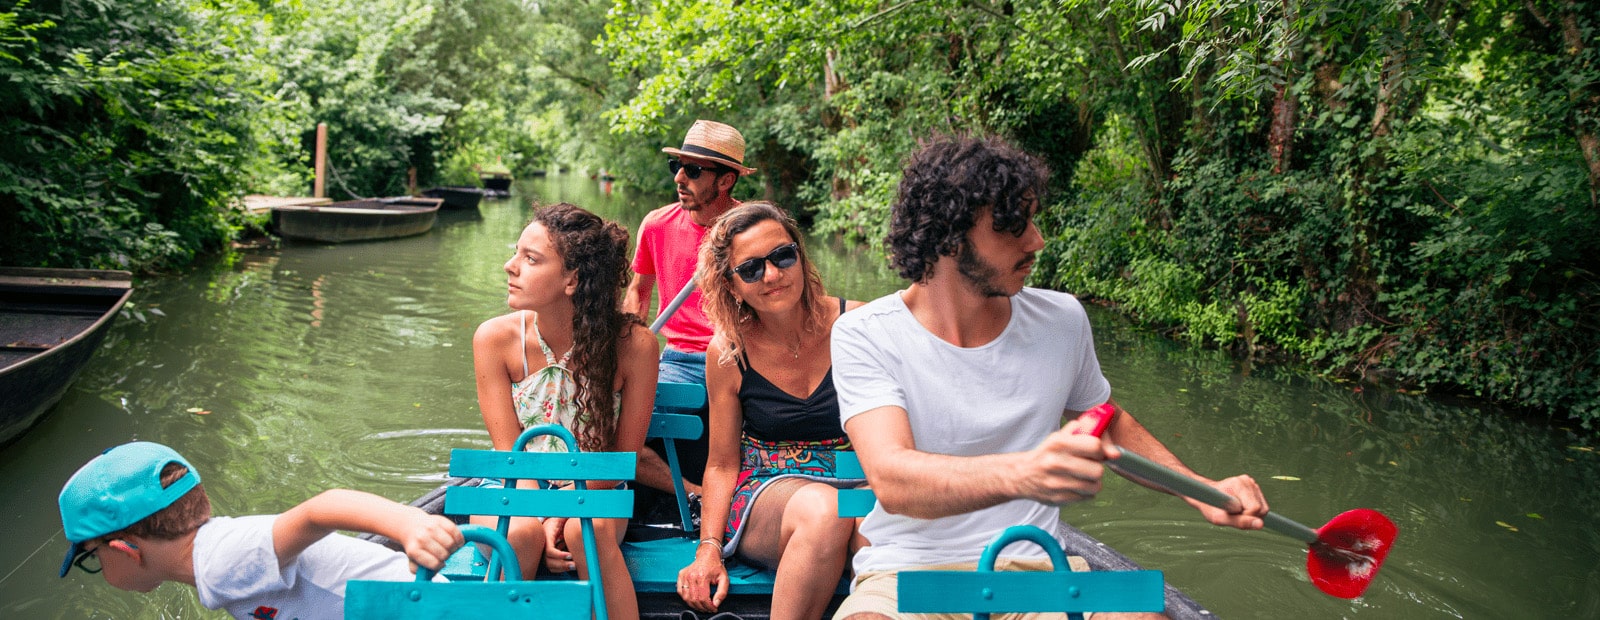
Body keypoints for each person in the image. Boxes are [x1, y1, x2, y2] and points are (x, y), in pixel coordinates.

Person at [830, 136, 1271, 620]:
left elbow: (1105, 420)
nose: (1037, 240)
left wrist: (1201, 489)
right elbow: (893, 479)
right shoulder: (865, 334)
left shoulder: (1062, 319)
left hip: (1040, 572)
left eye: (1032, 220)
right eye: (1013, 227)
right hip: (908, 577)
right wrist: (1026, 472)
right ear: (949, 239)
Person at [675, 203, 867, 619]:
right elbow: (723, 464)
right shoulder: (728, 351)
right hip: (770, 487)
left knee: (876, 527)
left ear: (800, 254)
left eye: (783, 256)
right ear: (731, 285)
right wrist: (708, 549)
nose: (773, 276)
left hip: (860, 477)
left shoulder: (860, 324)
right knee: (826, 509)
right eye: (751, 269)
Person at [472, 202, 658, 620]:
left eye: (530, 258)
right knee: (518, 532)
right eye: (516, 252)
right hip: (515, 482)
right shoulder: (495, 339)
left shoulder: (635, 346)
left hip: (597, 489)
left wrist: (565, 510)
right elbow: (508, 454)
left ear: (572, 279)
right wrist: (540, 515)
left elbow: (621, 462)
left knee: (584, 530)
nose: (510, 266)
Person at [57, 441, 463, 620]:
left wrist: (410, 524)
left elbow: (322, 508)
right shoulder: (216, 559)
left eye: (91, 558)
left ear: (126, 550)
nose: (99, 566)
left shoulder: (222, 559)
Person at [623, 120, 758, 510]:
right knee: (613, 421)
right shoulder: (656, 224)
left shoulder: (752, 228)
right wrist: (631, 350)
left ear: (726, 180)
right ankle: (695, 494)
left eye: (694, 170)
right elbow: (638, 291)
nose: (680, 178)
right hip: (680, 358)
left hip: (742, 353)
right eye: (677, 167)